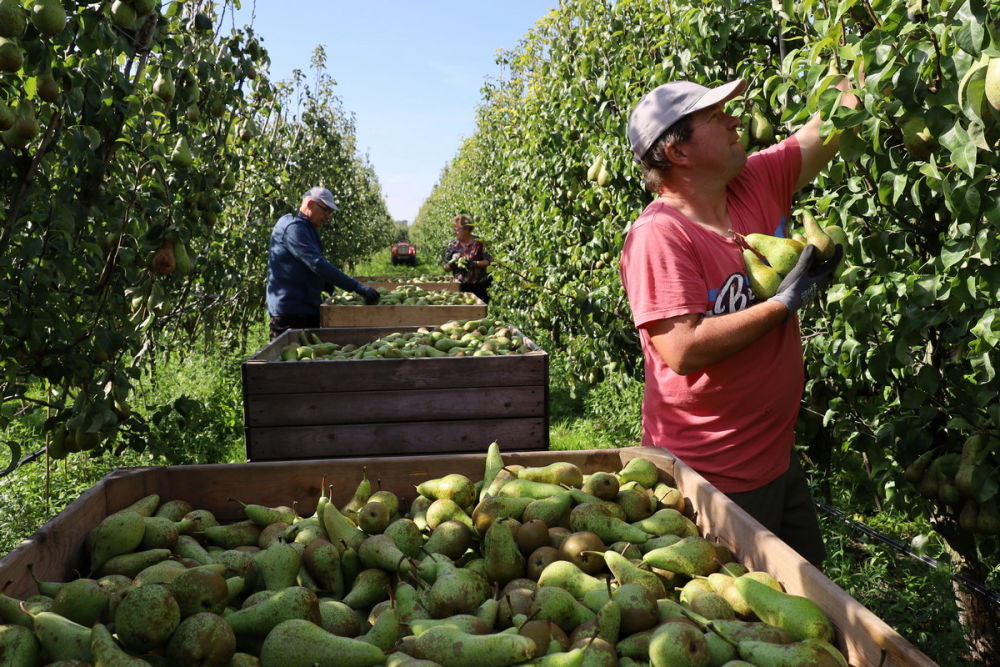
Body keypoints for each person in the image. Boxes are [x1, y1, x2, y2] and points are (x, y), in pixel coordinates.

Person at [619, 75, 859, 566]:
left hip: (776, 458)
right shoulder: (659, 236)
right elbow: (681, 349)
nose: (735, 120)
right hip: (710, 479)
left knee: (814, 611)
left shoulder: (754, 182)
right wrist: (782, 304)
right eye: (714, 116)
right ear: (678, 153)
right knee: (745, 625)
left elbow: (831, 126)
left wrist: (862, 62)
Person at [266, 186, 379, 340]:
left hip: (306, 307)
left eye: (330, 212)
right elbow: (317, 264)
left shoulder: (307, 228)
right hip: (291, 312)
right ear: (311, 204)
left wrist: (324, 282)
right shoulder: (293, 228)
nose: (328, 216)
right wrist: (356, 287)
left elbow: (305, 263)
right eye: (325, 210)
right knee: (291, 359)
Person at [443, 214, 492, 303]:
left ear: (466, 229)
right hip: (459, 287)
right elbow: (445, 267)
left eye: (457, 229)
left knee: (479, 313)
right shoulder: (452, 245)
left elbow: (488, 261)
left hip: (479, 286)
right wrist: (452, 264)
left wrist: (474, 263)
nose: (454, 232)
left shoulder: (479, 243)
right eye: (454, 229)